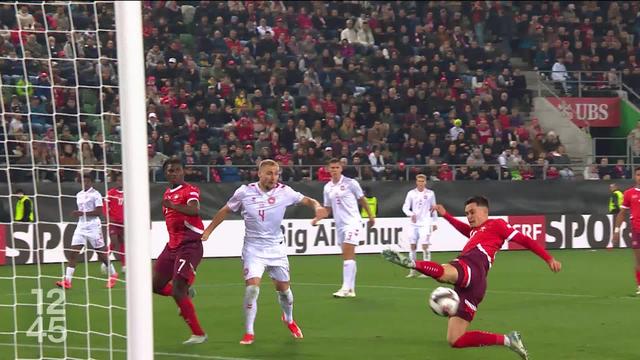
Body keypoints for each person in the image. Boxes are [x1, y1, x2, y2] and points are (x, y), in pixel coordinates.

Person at [382, 196, 561, 359]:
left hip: (473, 264)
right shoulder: (476, 231)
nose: (469, 216)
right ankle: (508, 340)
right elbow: (465, 230)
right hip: (476, 286)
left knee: (445, 274)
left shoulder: (497, 224)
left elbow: (525, 240)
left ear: (485, 211)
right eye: (467, 213)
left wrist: (548, 258)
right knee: (455, 339)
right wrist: (447, 215)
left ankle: (412, 264)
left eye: (472, 212)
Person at [201, 159, 328, 345]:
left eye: (276, 173)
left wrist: (317, 207)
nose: (273, 177)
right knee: (252, 288)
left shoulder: (285, 192)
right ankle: (249, 332)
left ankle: (289, 319)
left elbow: (308, 200)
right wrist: (209, 230)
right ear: (259, 174)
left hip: (276, 247)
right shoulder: (244, 192)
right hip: (253, 248)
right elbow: (225, 210)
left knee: (284, 292)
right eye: (269, 173)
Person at [152, 159, 207, 345]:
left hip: (189, 246)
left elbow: (194, 209)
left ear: (183, 172)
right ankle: (186, 293)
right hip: (172, 246)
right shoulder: (168, 193)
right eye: (170, 171)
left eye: (177, 170)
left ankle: (199, 334)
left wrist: (173, 206)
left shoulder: (190, 190)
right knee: (154, 285)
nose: (174, 173)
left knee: (177, 290)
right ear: (166, 174)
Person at [317, 158, 375, 298]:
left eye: (337, 167)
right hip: (340, 225)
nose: (335, 170)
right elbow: (328, 209)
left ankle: (345, 288)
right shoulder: (327, 187)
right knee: (349, 255)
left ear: (341, 168)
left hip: (353, 222)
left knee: (347, 254)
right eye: (332, 168)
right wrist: (317, 218)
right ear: (328, 169)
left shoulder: (351, 183)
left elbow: (362, 199)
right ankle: (351, 290)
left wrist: (371, 216)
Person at [56, 173, 118, 289]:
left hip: (93, 226)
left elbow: (99, 212)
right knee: (73, 253)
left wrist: (81, 213)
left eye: (88, 181)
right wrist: (79, 214)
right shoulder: (79, 195)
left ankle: (113, 274)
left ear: (91, 182)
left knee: (101, 254)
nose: (85, 183)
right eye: (83, 181)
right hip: (81, 226)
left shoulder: (96, 195)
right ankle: (67, 281)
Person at [401, 174, 438, 278]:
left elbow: (433, 208)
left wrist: (434, 222)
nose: (421, 183)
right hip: (414, 224)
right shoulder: (411, 193)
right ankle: (413, 270)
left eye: (422, 181)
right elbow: (405, 207)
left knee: (425, 246)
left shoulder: (430, 193)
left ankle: (426, 271)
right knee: (412, 246)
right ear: (416, 182)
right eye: (419, 181)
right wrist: (411, 214)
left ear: (425, 182)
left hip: (425, 223)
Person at [612, 168, 640, 295]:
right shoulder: (629, 193)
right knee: (638, 259)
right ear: (635, 176)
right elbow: (622, 213)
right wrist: (617, 231)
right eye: (639, 174)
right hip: (636, 230)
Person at [103, 172, 125, 273]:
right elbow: (104, 208)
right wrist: (109, 217)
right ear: (116, 181)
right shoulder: (111, 193)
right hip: (113, 222)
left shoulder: (129, 193)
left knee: (123, 243)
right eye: (119, 180)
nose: (120, 182)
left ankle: (124, 266)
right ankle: (105, 262)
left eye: (122, 180)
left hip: (124, 223)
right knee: (114, 242)